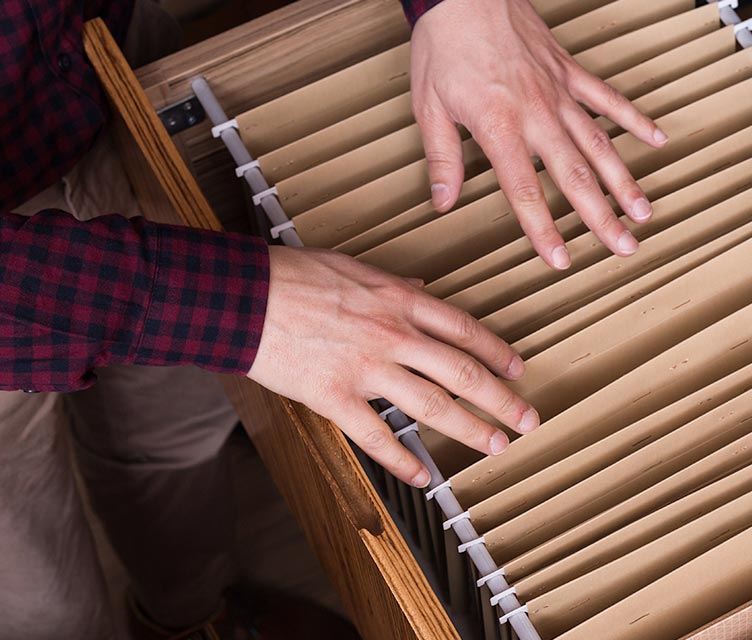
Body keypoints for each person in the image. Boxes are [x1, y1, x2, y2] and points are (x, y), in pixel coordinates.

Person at [0, 0, 664, 637]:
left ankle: (191, 613)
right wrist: (240, 307)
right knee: (48, 607)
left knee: (170, 431)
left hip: (91, 63)